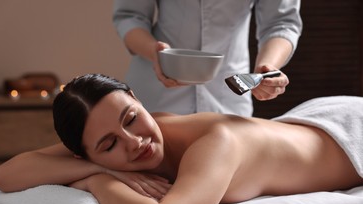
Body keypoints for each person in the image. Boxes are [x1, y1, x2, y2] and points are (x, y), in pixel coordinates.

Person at [0, 74, 363, 204]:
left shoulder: (216, 143)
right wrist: (100, 170)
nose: (135, 141)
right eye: (109, 145)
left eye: (132, 117)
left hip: (350, 130)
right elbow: (5, 175)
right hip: (297, 125)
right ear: (83, 154)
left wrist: (99, 180)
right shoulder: (105, 144)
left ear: (138, 100)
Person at [112, 0, 302, 116]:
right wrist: (154, 52)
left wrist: (267, 68)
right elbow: (130, 15)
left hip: (229, 100)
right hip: (157, 96)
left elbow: (281, 22)